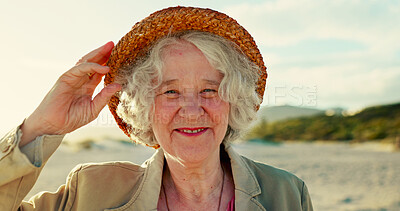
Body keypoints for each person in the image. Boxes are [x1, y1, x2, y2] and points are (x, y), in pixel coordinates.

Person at [0, 6, 313, 211]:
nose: (192, 110)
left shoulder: (287, 194)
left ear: (234, 100)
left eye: (209, 90)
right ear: (144, 106)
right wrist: (42, 127)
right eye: (171, 91)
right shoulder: (90, 192)